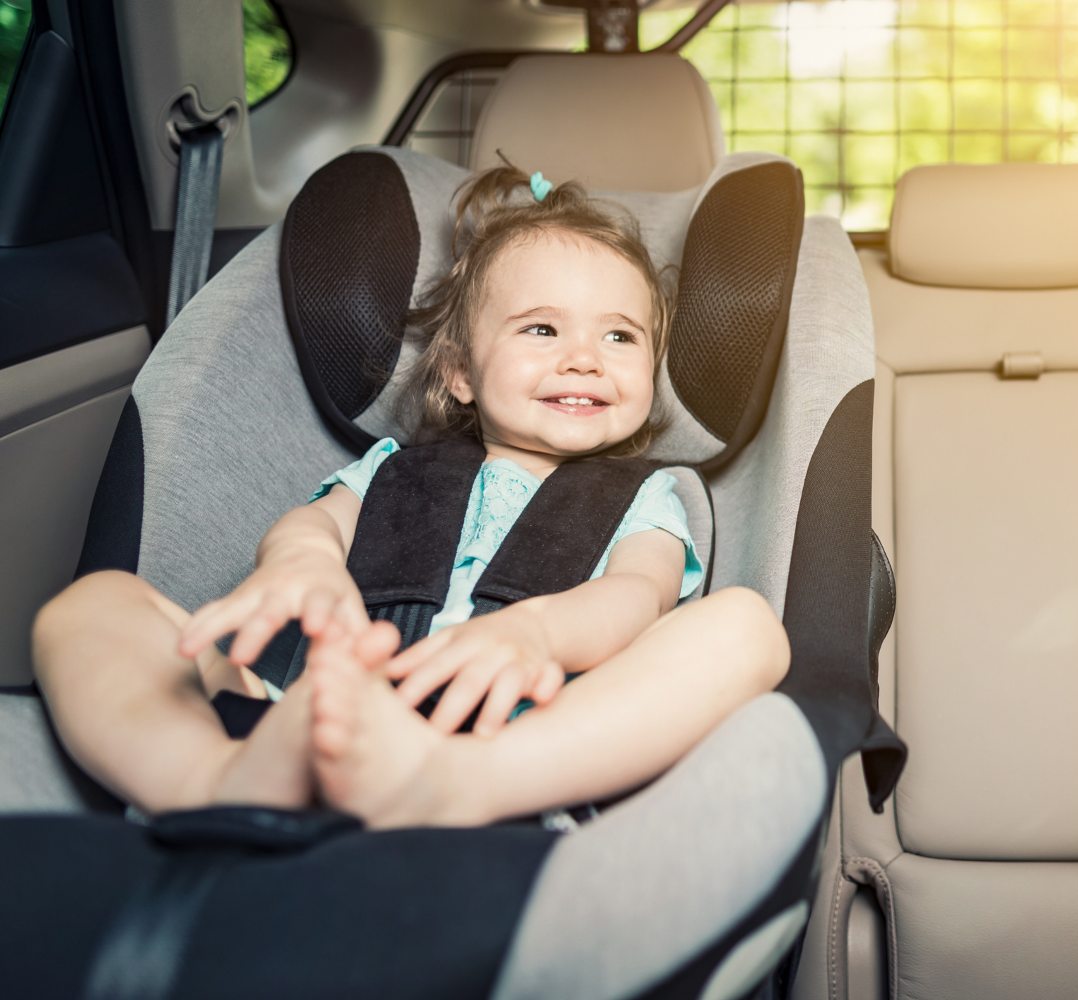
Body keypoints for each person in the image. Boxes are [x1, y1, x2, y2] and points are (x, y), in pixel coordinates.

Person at [32, 165, 790, 830]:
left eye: (621, 338)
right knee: (92, 606)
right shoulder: (392, 469)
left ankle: (451, 788)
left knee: (748, 628)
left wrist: (539, 637)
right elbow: (315, 524)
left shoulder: (646, 496)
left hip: (518, 738)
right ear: (459, 372)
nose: (586, 360)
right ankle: (213, 781)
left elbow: (638, 594)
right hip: (313, 713)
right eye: (542, 329)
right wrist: (302, 565)